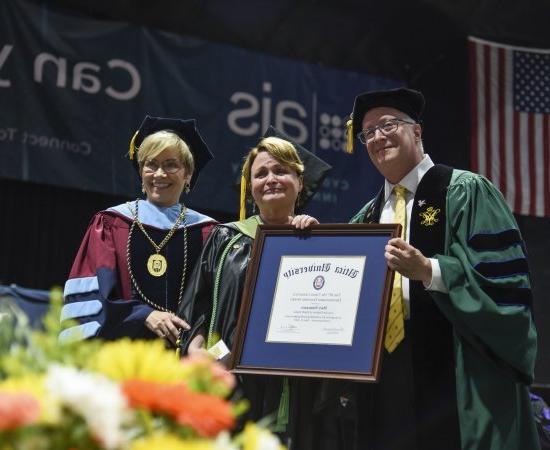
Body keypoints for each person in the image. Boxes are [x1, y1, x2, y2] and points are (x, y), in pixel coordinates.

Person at [343, 87, 540, 450]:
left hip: (458, 367)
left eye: (388, 125)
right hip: (385, 376)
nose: (377, 137)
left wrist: (429, 271)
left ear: (417, 131)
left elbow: (504, 285)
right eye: (368, 132)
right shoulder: (367, 218)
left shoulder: (465, 191)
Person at [177, 126, 332, 449]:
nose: (270, 179)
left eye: (281, 171)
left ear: (299, 183)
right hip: (231, 379)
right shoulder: (225, 238)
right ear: (251, 188)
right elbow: (196, 306)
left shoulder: (318, 243)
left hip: (295, 383)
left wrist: (317, 245)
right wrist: (195, 350)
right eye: (261, 174)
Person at [61, 116, 216, 346]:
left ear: (188, 174)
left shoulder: (209, 233)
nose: (159, 174)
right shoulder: (110, 224)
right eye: (151, 164)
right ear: (141, 173)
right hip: (120, 358)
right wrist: (143, 315)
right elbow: (95, 298)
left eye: (171, 164)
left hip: (183, 361)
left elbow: (216, 304)